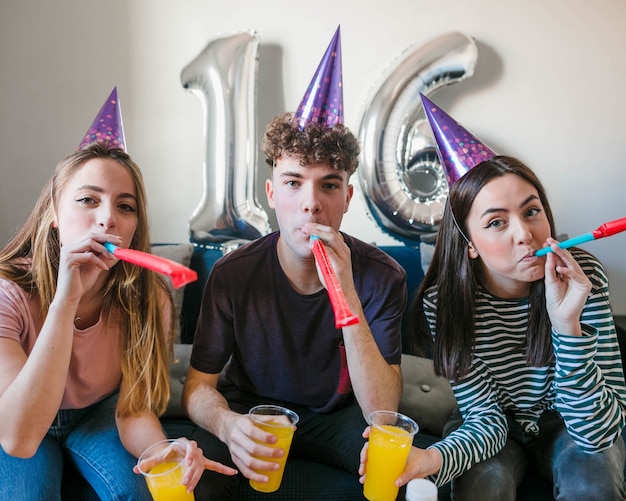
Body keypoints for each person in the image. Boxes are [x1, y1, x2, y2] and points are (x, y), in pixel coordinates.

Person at [359, 96, 626, 500]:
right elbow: (485, 421)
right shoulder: (444, 305)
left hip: (570, 426)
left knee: (593, 481)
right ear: (470, 245)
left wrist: (567, 328)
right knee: (483, 485)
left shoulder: (582, 279)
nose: (524, 234)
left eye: (532, 212)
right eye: (497, 222)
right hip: (491, 427)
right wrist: (430, 460)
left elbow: (598, 434)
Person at [182, 27, 407, 499]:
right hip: (252, 411)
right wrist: (226, 424)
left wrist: (343, 290)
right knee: (196, 484)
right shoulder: (233, 274)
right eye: (292, 182)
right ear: (271, 194)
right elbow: (198, 387)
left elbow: (382, 409)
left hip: (337, 418)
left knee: (403, 475)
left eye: (328, 185)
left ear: (347, 197)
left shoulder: (382, 276)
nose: (310, 203)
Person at [0, 90, 236, 501]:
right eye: (88, 199)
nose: (108, 217)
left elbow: (134, 408)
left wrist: (162, 449)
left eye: (124, 206)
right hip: (19, 420)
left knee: (143, 492)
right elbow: (19, 438)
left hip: (98, 414)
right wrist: (65, 300)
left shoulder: (150, 298)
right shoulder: (9, 294)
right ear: (54, 214)